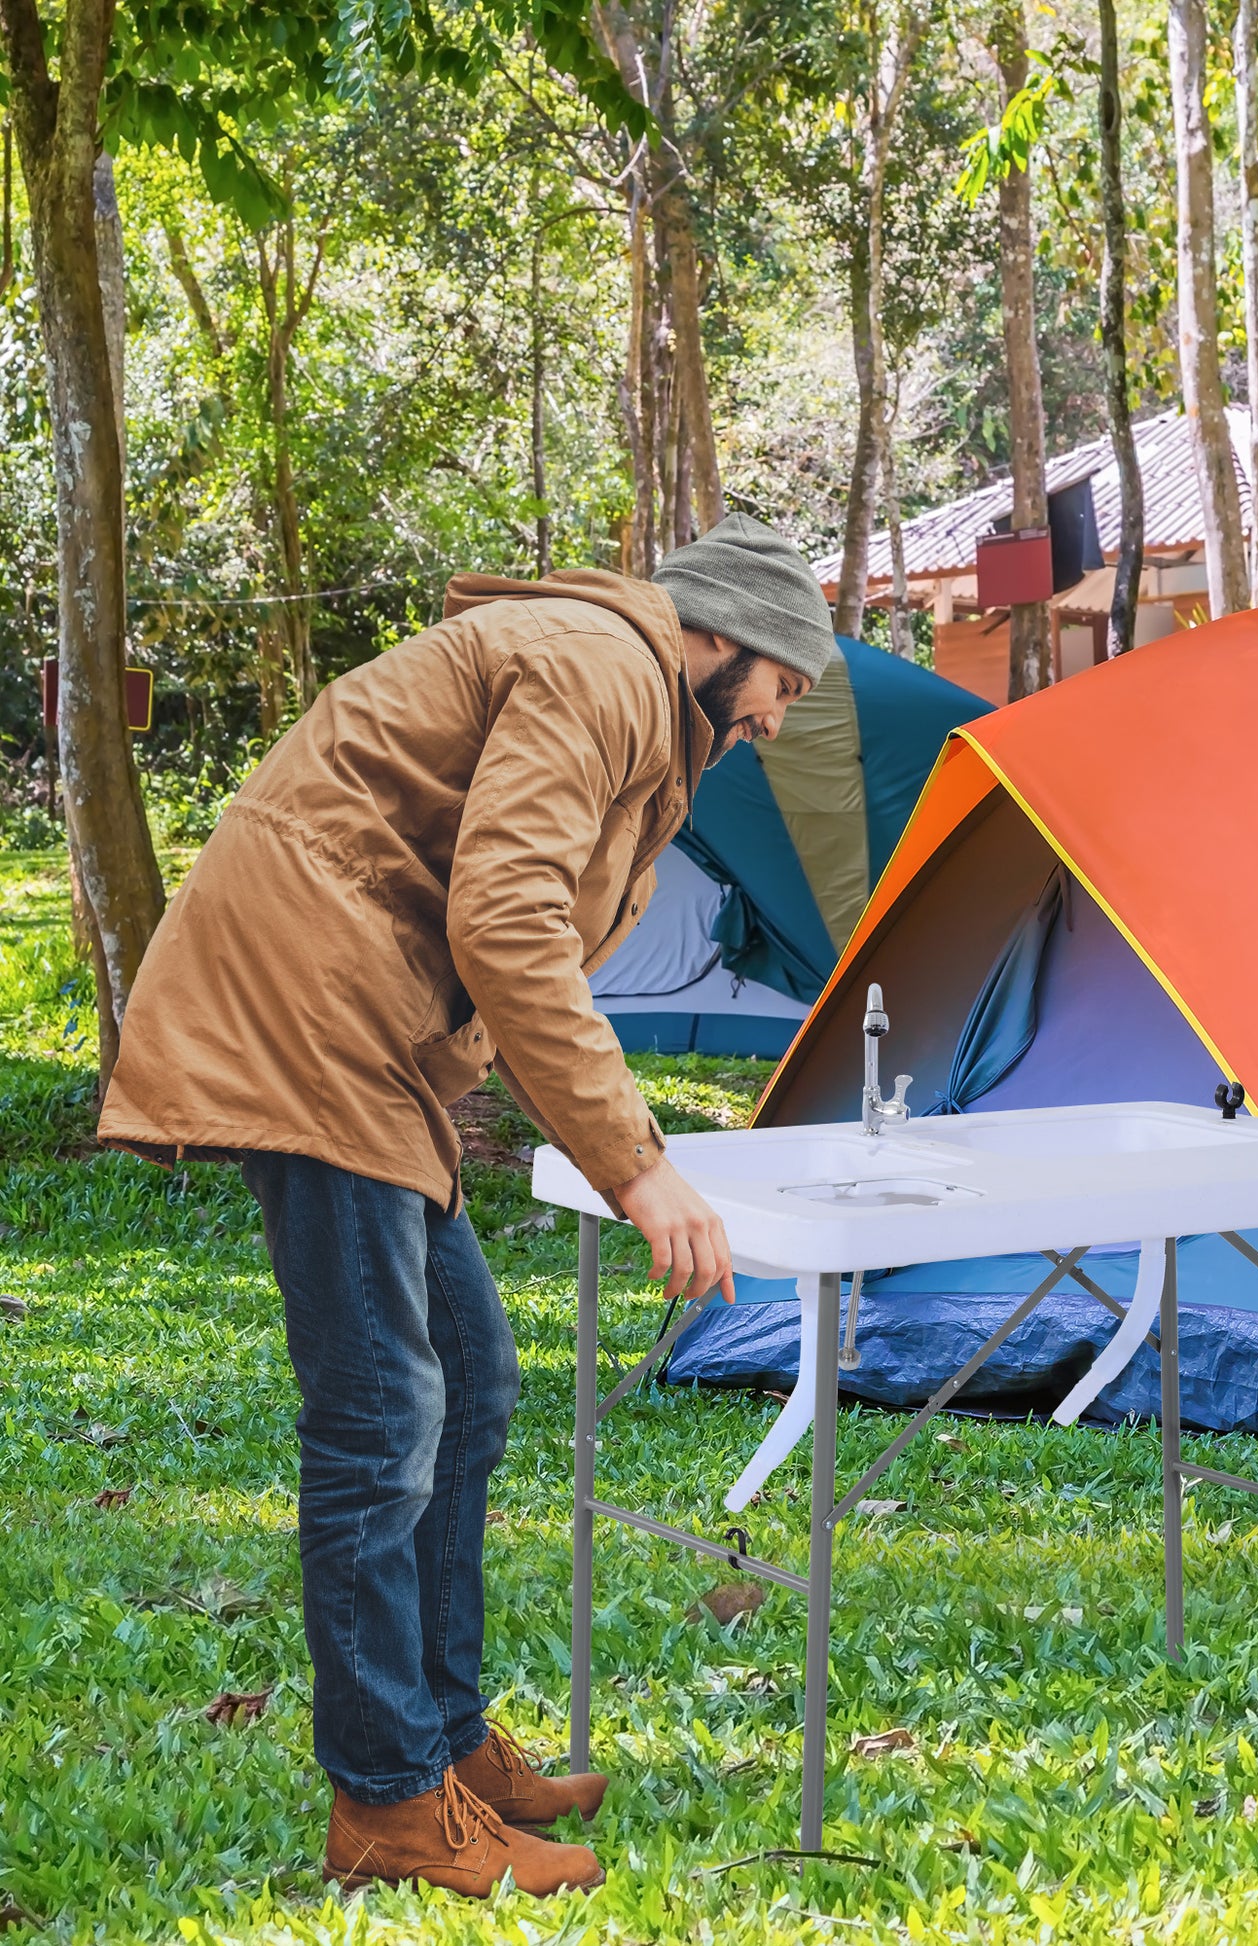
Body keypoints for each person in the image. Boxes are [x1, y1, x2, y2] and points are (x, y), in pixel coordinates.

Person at [99, 515, 834, 1893]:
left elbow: (507, 906)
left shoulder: (621, 690)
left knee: (474, 1380)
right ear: (720, 637)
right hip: (310, 1019)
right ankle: (385, 1799)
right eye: (783, 685)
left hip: (370, 1037)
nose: (779, 720)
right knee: (382, 1414)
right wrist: (639, 1161)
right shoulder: (604, 666)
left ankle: (438, 1740)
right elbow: (506, 920)